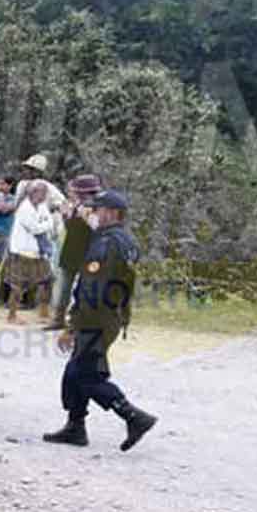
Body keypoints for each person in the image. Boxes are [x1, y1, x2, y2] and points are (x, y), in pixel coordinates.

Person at [44, 189, 158, 452]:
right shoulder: (126, 241)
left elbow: (91, 289)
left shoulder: (105, 244)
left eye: (98, 210)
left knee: (85, 374)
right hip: (113, 315)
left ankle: (133, 417)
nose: (94, 214)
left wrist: (73, 326)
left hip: (96, 316)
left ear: (112, 213)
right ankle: (75, 426)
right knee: (75, 371)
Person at [46, 174, 103, 331]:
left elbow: (97, 227)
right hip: (71, 250)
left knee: (84, 289)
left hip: (89, 252)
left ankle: (76, 320)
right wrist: (67, 214)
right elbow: (68, 227)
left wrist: (83, 212)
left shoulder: (98, 208)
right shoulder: (75, 206)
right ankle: (59, 318)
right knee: (64, 287)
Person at [4, 181, 55, 324]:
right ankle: (12, 315)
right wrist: (45, 224)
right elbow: (35, 228)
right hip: (22, 251)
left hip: (38, 251)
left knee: (48, 280)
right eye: (42, 192)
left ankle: (43, 312)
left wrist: (44, 224)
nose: (45, 196)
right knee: (17, 286)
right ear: (33, 193)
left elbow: (49, 222)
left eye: (45, 192)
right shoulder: (24, 208)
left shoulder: (42, 206)